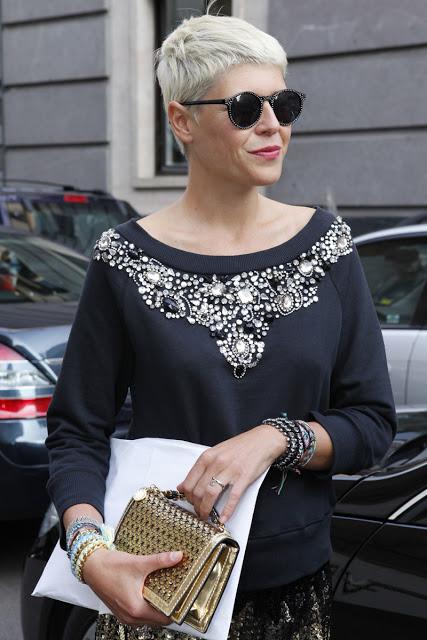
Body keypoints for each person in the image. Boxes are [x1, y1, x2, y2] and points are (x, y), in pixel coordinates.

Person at [45, 5, 397, 640]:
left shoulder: (328, 247)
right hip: (159, 593)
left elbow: (371, 424)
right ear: (181, 120)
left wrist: (275, 438)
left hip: (294, 597)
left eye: (283, 105)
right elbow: (77, 430)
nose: (272, 126)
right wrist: (89, 552)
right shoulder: (125, 258)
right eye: (244, 109)